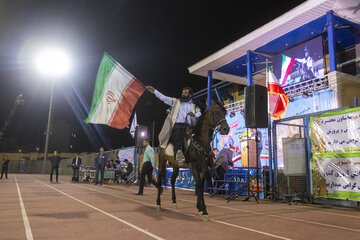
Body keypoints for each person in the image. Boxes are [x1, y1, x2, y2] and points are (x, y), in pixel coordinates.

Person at [146, 85, 201, 163]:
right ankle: (178, 154)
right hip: (178, 126)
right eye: (182, 92)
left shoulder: (194, 106)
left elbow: (199, 113)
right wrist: (154, 90)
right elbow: (164, 98)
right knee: (178, 135)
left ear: (190, 95)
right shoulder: (176, 102)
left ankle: (208, 156)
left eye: (185, 93)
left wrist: (195, 115)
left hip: (190, 127)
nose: (183, 94)